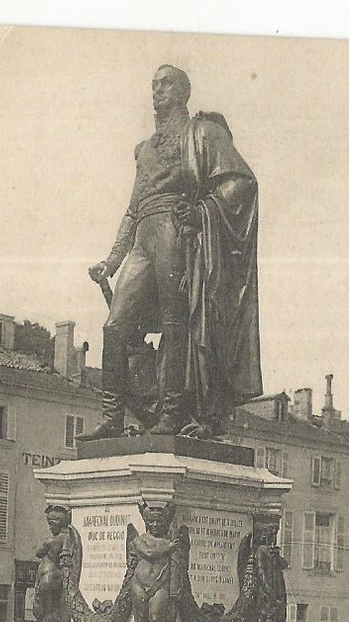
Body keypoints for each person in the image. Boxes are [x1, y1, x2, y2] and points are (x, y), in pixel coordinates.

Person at [82, 64, 263, 441]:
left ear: (183, 92)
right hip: (143, 237)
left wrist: (201, 212)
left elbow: (240, 182)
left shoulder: (203, 133)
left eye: (165, 84)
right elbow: (132, 210)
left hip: (175, 231)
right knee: (115, 327)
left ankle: (171, 414)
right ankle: (112, 417)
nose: (156, 90)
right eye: (153, 85)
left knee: (175, 322)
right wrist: (112, 262)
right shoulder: (145, 149)